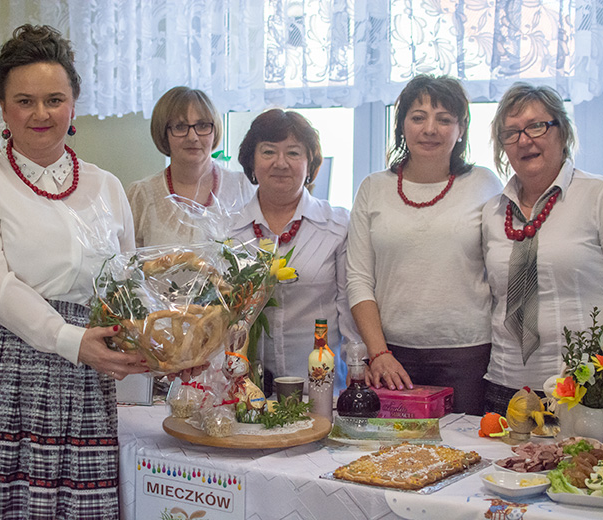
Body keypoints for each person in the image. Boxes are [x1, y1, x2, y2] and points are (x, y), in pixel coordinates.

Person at [0, 25, 149, 520]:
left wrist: (164, 343)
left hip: (83, 375)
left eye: (54, 99)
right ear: (4, 108)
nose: (40, 113)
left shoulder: (107, 185)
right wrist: (71, 340)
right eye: (24, 101)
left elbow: (129, 284)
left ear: (74, 103)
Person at [346, 75, 503, 415]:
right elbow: (359, 280)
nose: (430, 128)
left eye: (444, 119)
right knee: (391, 461)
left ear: (461, 129)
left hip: (470, 355)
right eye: (418, 117)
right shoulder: (373, 188)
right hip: (391, 358)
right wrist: (379, 353)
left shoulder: (485, 184)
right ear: (402, 125)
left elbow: (504, 269)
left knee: (469, 457)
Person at [482, 83, 603, 416]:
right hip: (504, 388)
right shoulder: (491, 212)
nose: (524, 140)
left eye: (536, 126)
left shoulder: (596, 197)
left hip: (582, 393)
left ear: (561, 131)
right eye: (511, 132)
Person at [229, 108, 359, 394]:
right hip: (245, 392)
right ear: (251, 161)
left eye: (293, 153)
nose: (280, 163)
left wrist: (357, 369)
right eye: (268, 152)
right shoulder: (228, 232)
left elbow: (349, 310)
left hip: (322, 389)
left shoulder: (337, 225)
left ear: (310, 162)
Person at [127, 86, 255, 247]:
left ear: (215, 130)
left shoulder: (242, 187)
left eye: (202, 126)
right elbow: (128, 263)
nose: (192, 137)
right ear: (163, 133)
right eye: (180, 127)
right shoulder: (142, 195)